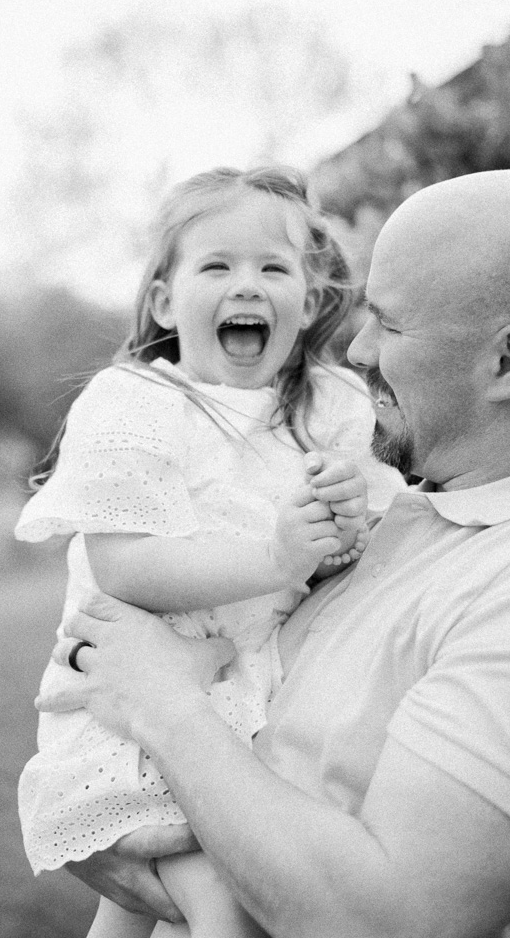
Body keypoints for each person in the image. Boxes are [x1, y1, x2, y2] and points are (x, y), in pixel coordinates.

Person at [47, 170, 510, 938]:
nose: (356, 349)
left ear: (503, 362)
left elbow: (397, 923)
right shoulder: (402, 511)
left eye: (390, 327)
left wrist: (162, 708)